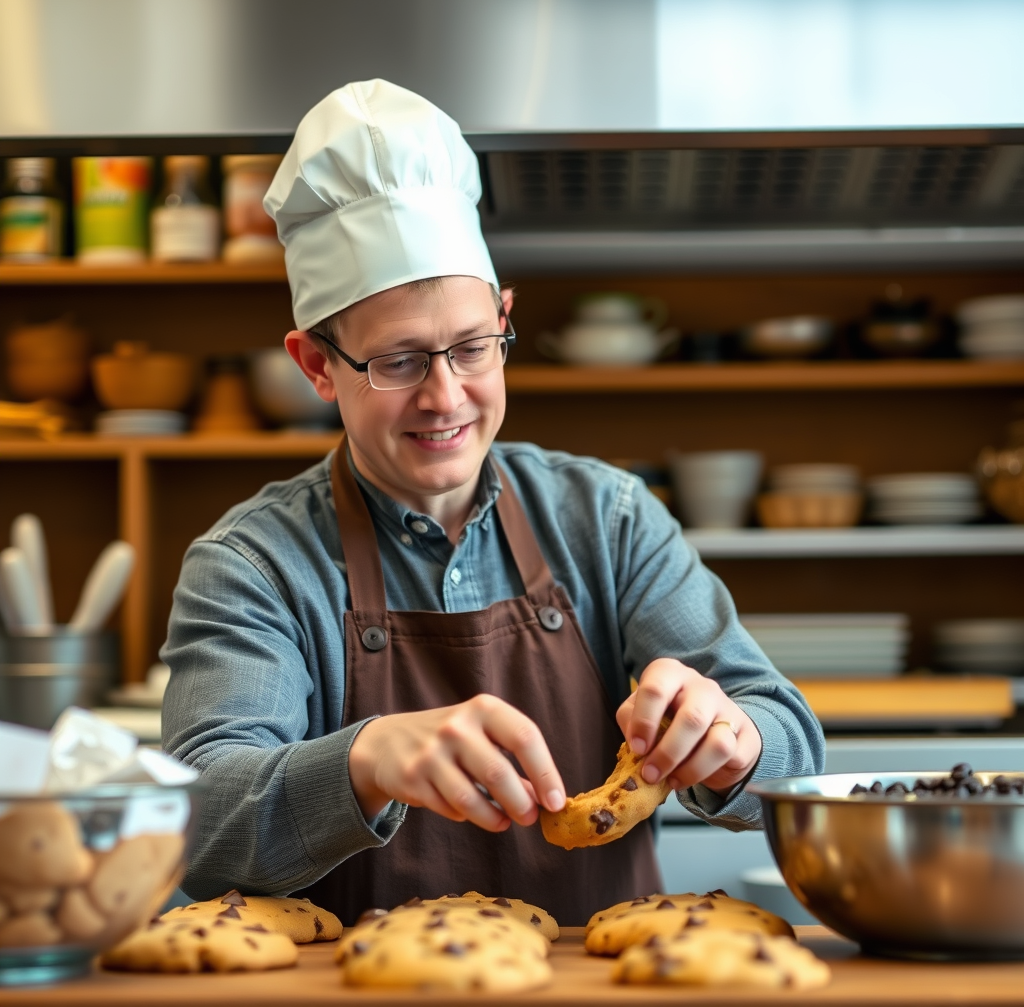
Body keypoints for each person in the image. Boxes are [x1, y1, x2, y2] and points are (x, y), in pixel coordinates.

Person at [162, 79, 824, 927]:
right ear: (315, 365)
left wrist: (735, 740)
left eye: (474, 348)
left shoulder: (609, 519)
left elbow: (793, 746)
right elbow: (195, 821)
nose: (447, 398)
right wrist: (363, 761)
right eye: (398, 362)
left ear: (505, 319)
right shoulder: (253, 565)